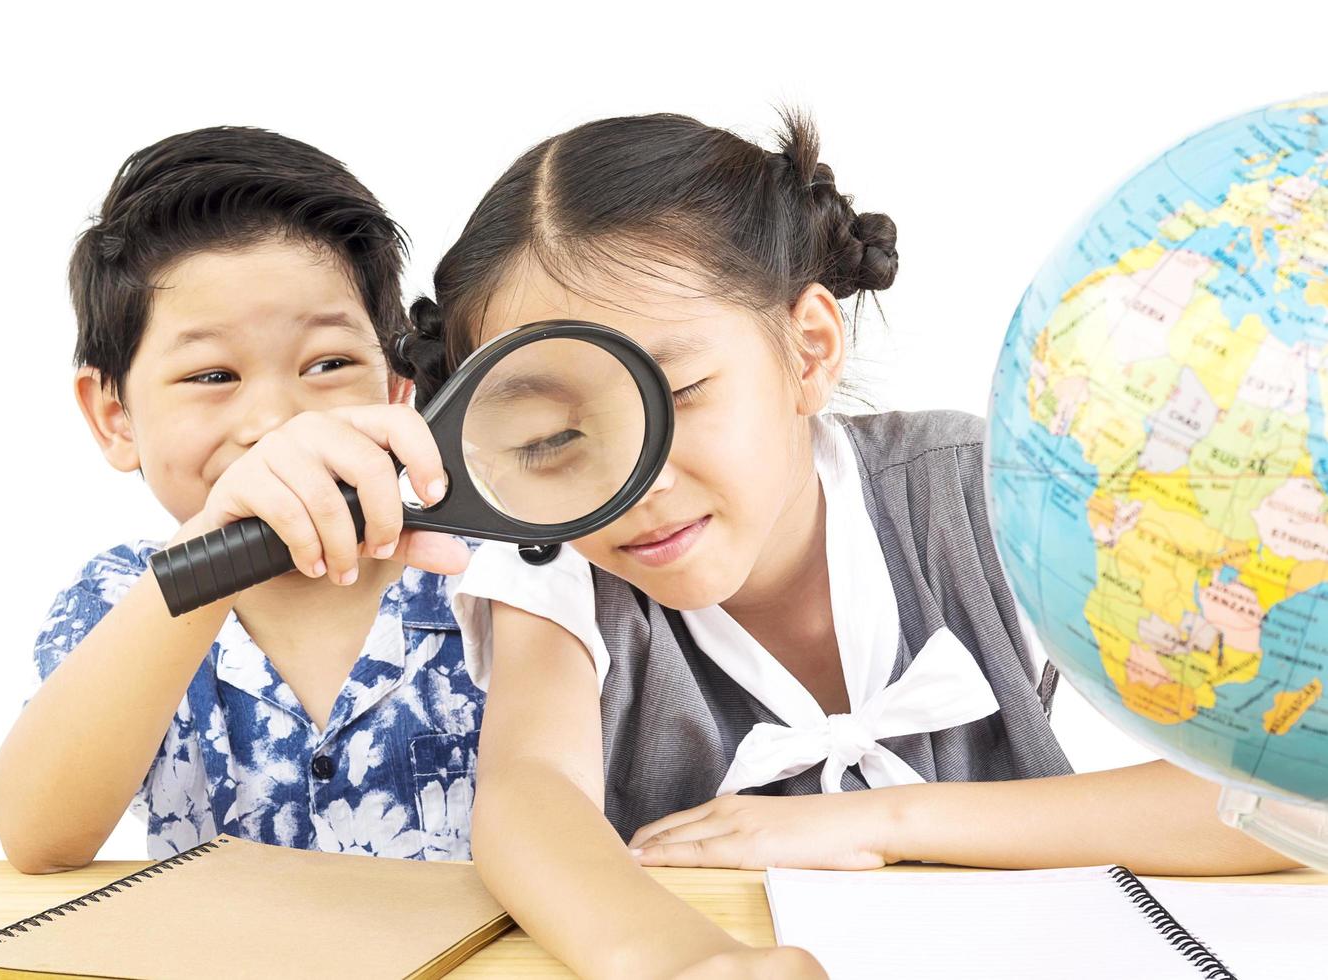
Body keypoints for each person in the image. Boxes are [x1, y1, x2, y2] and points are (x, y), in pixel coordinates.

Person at [390, 111, 1297, 977]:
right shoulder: (552, 554)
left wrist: (887, 822)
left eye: (682, 392)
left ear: (810, 348)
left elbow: (1273, 802)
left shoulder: (980, 492)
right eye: (552, 440)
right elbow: (530, 798)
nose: (639, 480)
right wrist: (684, 962)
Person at [0, 127, 479, 872]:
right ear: (113, 417)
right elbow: (37, 838)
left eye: (330, 362)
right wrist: (206, 560)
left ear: (400, 386)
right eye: (213, 375)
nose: (277, 424)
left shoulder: (503, 576)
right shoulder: (120, 597)